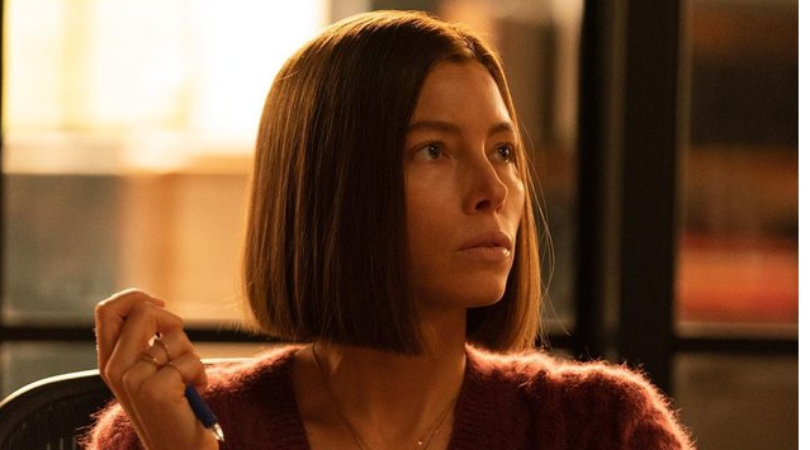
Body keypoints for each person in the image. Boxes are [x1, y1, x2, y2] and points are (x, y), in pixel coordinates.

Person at [85, 10, 694, 450]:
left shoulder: (600, 426)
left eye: (503, 151)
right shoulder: (166, 433)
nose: (493, 189)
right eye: (433, 150)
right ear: (330, 188)